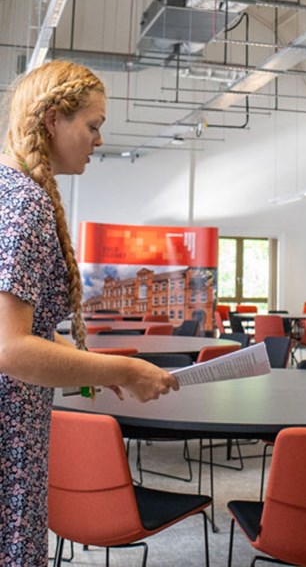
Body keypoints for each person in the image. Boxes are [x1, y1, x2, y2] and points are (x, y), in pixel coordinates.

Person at [0, 61, 179, 566]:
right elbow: (10, 349)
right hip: (10, 434)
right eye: (93, 125)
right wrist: (121, 368)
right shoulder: (25, 204)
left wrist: (98, 373)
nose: (99, 140)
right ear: (54, 119)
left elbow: (22, 332)